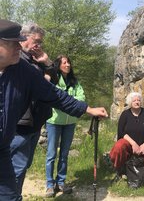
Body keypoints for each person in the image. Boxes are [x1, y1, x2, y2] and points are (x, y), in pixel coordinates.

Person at [0, 19, 108, 201]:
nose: (19, 47)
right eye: (13, 44)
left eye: (20, 42)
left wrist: (87, 109)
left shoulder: (24, 69)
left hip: (3, 149)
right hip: (19, 133)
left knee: (10, 197)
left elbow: (54, 94)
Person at [10, 23, 58, 196]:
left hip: (35, 122)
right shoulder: (17, 58)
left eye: (41, 42)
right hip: (20, 124)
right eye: (36, 41)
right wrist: (44, 74)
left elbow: (53, 84)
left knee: (23, 167)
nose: (39, 45)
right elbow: (39, 86)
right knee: (17, 169)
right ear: (24, 38)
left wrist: (47, 63)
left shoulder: (35, 59)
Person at [45, 55, 85, 197]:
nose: (67, 65)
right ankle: (50, 185)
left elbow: (82, 99)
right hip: (54, 122)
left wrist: (68, 102)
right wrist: (70, 103)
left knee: (64, 154)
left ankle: (61, 182)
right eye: (64, 63)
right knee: (51, 154)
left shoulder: (75, 82)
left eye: (68, 62)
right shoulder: (54, 80)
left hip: (70, 123)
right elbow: (54, 99)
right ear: (58, 65)